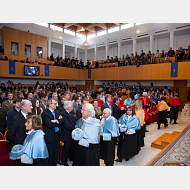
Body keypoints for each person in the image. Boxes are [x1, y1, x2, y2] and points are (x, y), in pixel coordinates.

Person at [7, 100, 33, 165]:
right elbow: (10, 135)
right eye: (30, 106)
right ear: (23, 107)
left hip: (30, 147)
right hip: (21, 149)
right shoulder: (16, 118)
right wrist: (18, 145)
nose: (32, 107)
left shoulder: (31, 116)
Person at [41, 98, 61, 166]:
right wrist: (58, 121)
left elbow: (62, 120)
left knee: (56, 152)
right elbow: (49, 124)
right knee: (50, 153)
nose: (56, 105)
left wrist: (55, 121)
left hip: (57, 135)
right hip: (50, 136)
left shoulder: (57, 112)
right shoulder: (45, 113)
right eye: (55, 104)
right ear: (50, 104)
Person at [57, 101, 76, 166]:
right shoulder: (63, 114)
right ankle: (64, 161)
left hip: (72, 133)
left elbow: (74, 121)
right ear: (68, 107)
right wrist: (74, 128)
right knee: (66, 149)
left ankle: (71, 158)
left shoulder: (71, 113)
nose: (73, 107)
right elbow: (66, 125)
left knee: (72, 147)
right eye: (72, 106)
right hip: (66, 134)